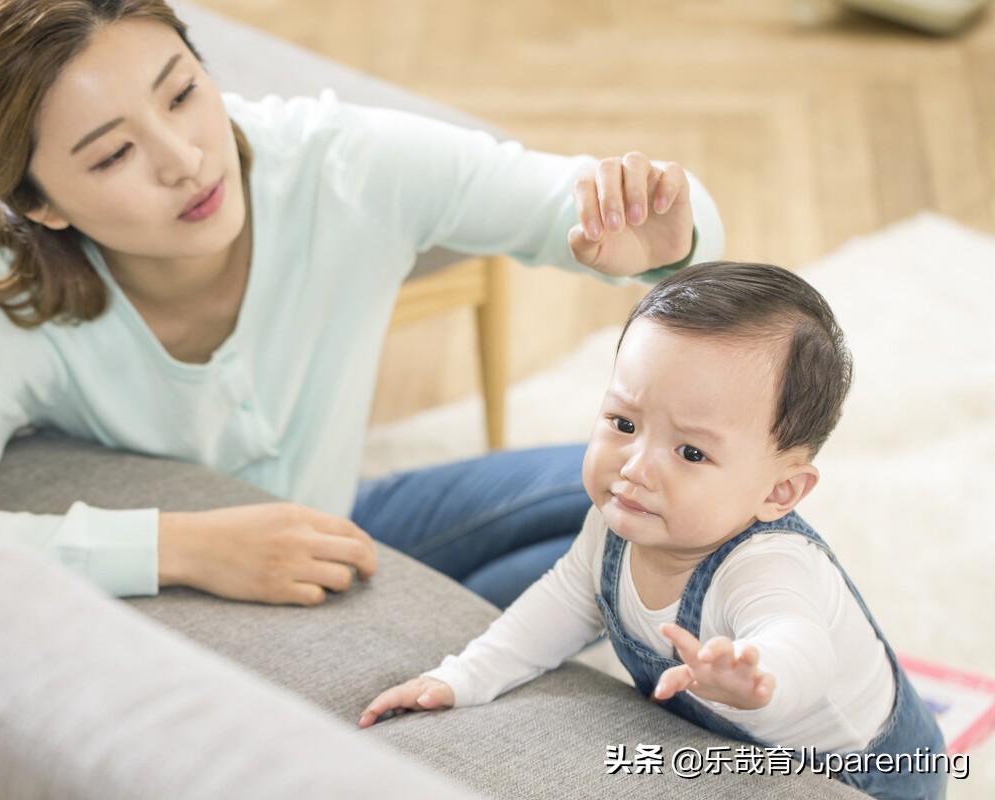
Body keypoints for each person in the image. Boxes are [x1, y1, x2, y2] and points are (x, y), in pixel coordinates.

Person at [0, 0, 724, 607]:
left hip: (346, 528)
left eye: (181, 92)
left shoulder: (342, 167)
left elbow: (578, 204)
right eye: (112, 154)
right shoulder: (2, 300)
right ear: (41, 205)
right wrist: (183, 548)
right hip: (222, 605)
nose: (185, 159)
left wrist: (663, 240)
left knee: (688, 518)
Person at [359, 262, 946, 800]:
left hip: (864, 775)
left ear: (777, 492)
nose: (635, 467)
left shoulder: (766, 568)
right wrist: (461, 678)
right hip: (736, 747)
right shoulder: (616, 524)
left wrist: (756, 675)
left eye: (690, 451)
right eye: (623, 422)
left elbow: (801, 644)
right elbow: (559, 605)